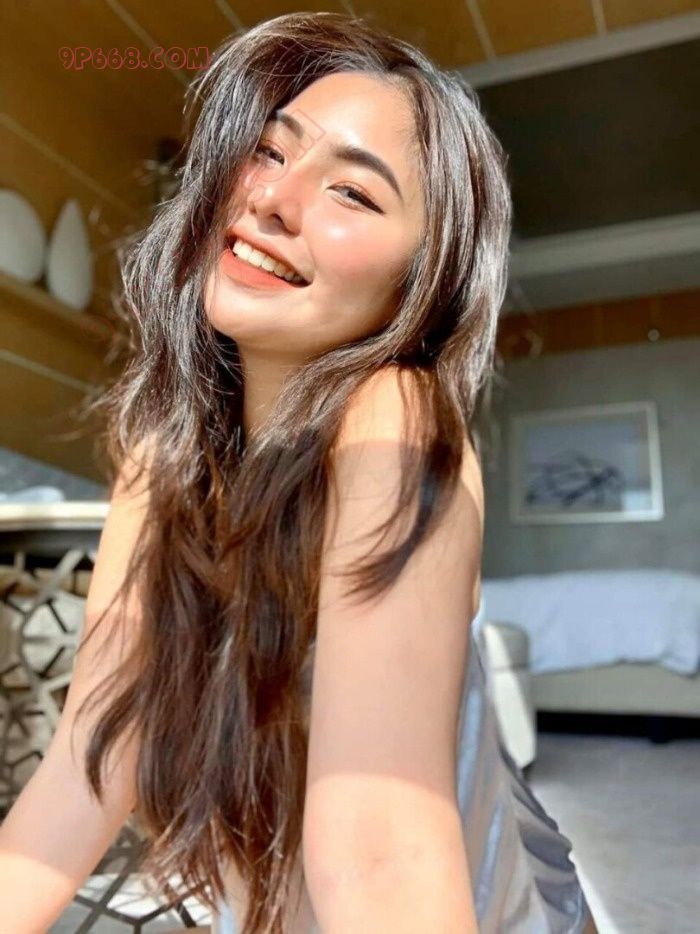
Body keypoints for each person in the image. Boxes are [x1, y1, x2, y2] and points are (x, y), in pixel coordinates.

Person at [0, 12, 598, 933]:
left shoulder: (397, 416)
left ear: (420, 283)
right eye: (270, 152)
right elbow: (91, 758)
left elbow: (381, 845)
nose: (273, 197)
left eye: (353, 193)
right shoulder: (164, 446)